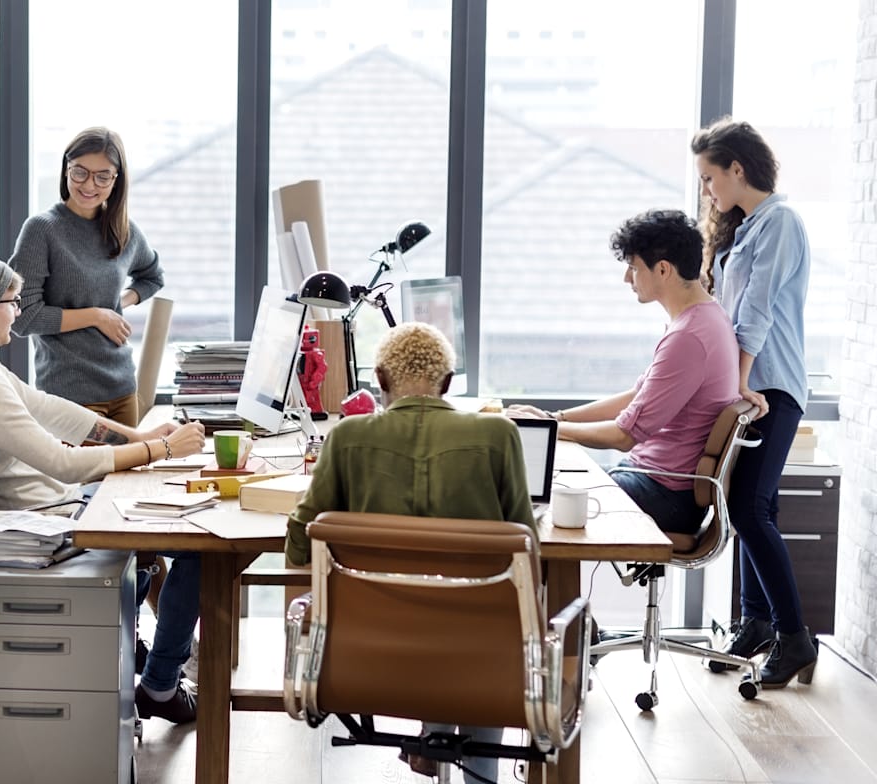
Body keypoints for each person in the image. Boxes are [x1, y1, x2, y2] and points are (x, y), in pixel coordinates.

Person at [0, 251, 207, 723]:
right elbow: (65, 463)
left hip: (58, 505)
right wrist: (164, 451)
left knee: (160, 516)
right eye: (13, 302)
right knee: (198, 546)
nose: (18, 312)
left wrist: (137, 437)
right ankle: (159, 684)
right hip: (50, 522)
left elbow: (49, 408)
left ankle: (136, 655)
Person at [287, 322, 532, 784]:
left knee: (442, 623)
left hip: (374, 654)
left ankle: (432, 737)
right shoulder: (499, 436)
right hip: (482, 654)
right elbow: (525, 547)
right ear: (449, 383)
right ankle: (476, 766)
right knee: (483, 623)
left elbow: (301, 539)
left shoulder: (346, 439)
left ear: (380, 380)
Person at [508, 208, 741, 539]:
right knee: (544, 484)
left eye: (633, 268)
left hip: (664, 495)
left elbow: (624, 436)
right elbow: (636, 399)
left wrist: (550, 428)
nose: (627, 279)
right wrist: (554, 418)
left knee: (532, 496)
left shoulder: (689, 336)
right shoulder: (703, 319)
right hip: (654, 482)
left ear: (663, 269)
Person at [691, 117, 817, 688]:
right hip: (747, 390)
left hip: (772, 389)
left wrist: (741, 386)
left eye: (710, 177)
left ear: (737, 169)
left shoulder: (781, 223)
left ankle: (794, 637)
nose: (708, 191)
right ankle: (756, 623)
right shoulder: (744, 229)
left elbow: (757, 314)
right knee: (745, 507)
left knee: (749, 509)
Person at [9, 126, 164, 428]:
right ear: (67, 169)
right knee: (84, 476)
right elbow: (23, 317)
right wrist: (96, 316)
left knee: (128, 476)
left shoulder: (124, 231)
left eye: (102, 176)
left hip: (123, 388)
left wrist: (117, 303)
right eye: (80, 172)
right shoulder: (42, 230)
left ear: (116, 180)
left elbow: (152, 277)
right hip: (69, 394)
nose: (89, 184)